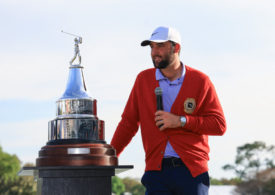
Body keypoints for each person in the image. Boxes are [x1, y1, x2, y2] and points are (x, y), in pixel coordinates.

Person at [111, 26, 226, 195]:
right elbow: (128, 123)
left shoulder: (201, 81)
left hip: (191, 172)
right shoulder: (143, 80)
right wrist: (110, 156)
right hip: (156, 172)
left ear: (176, 48)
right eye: (151, 47)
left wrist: (181, 120)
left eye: (160, 46)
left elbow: (219, 125)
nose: (154, 52)